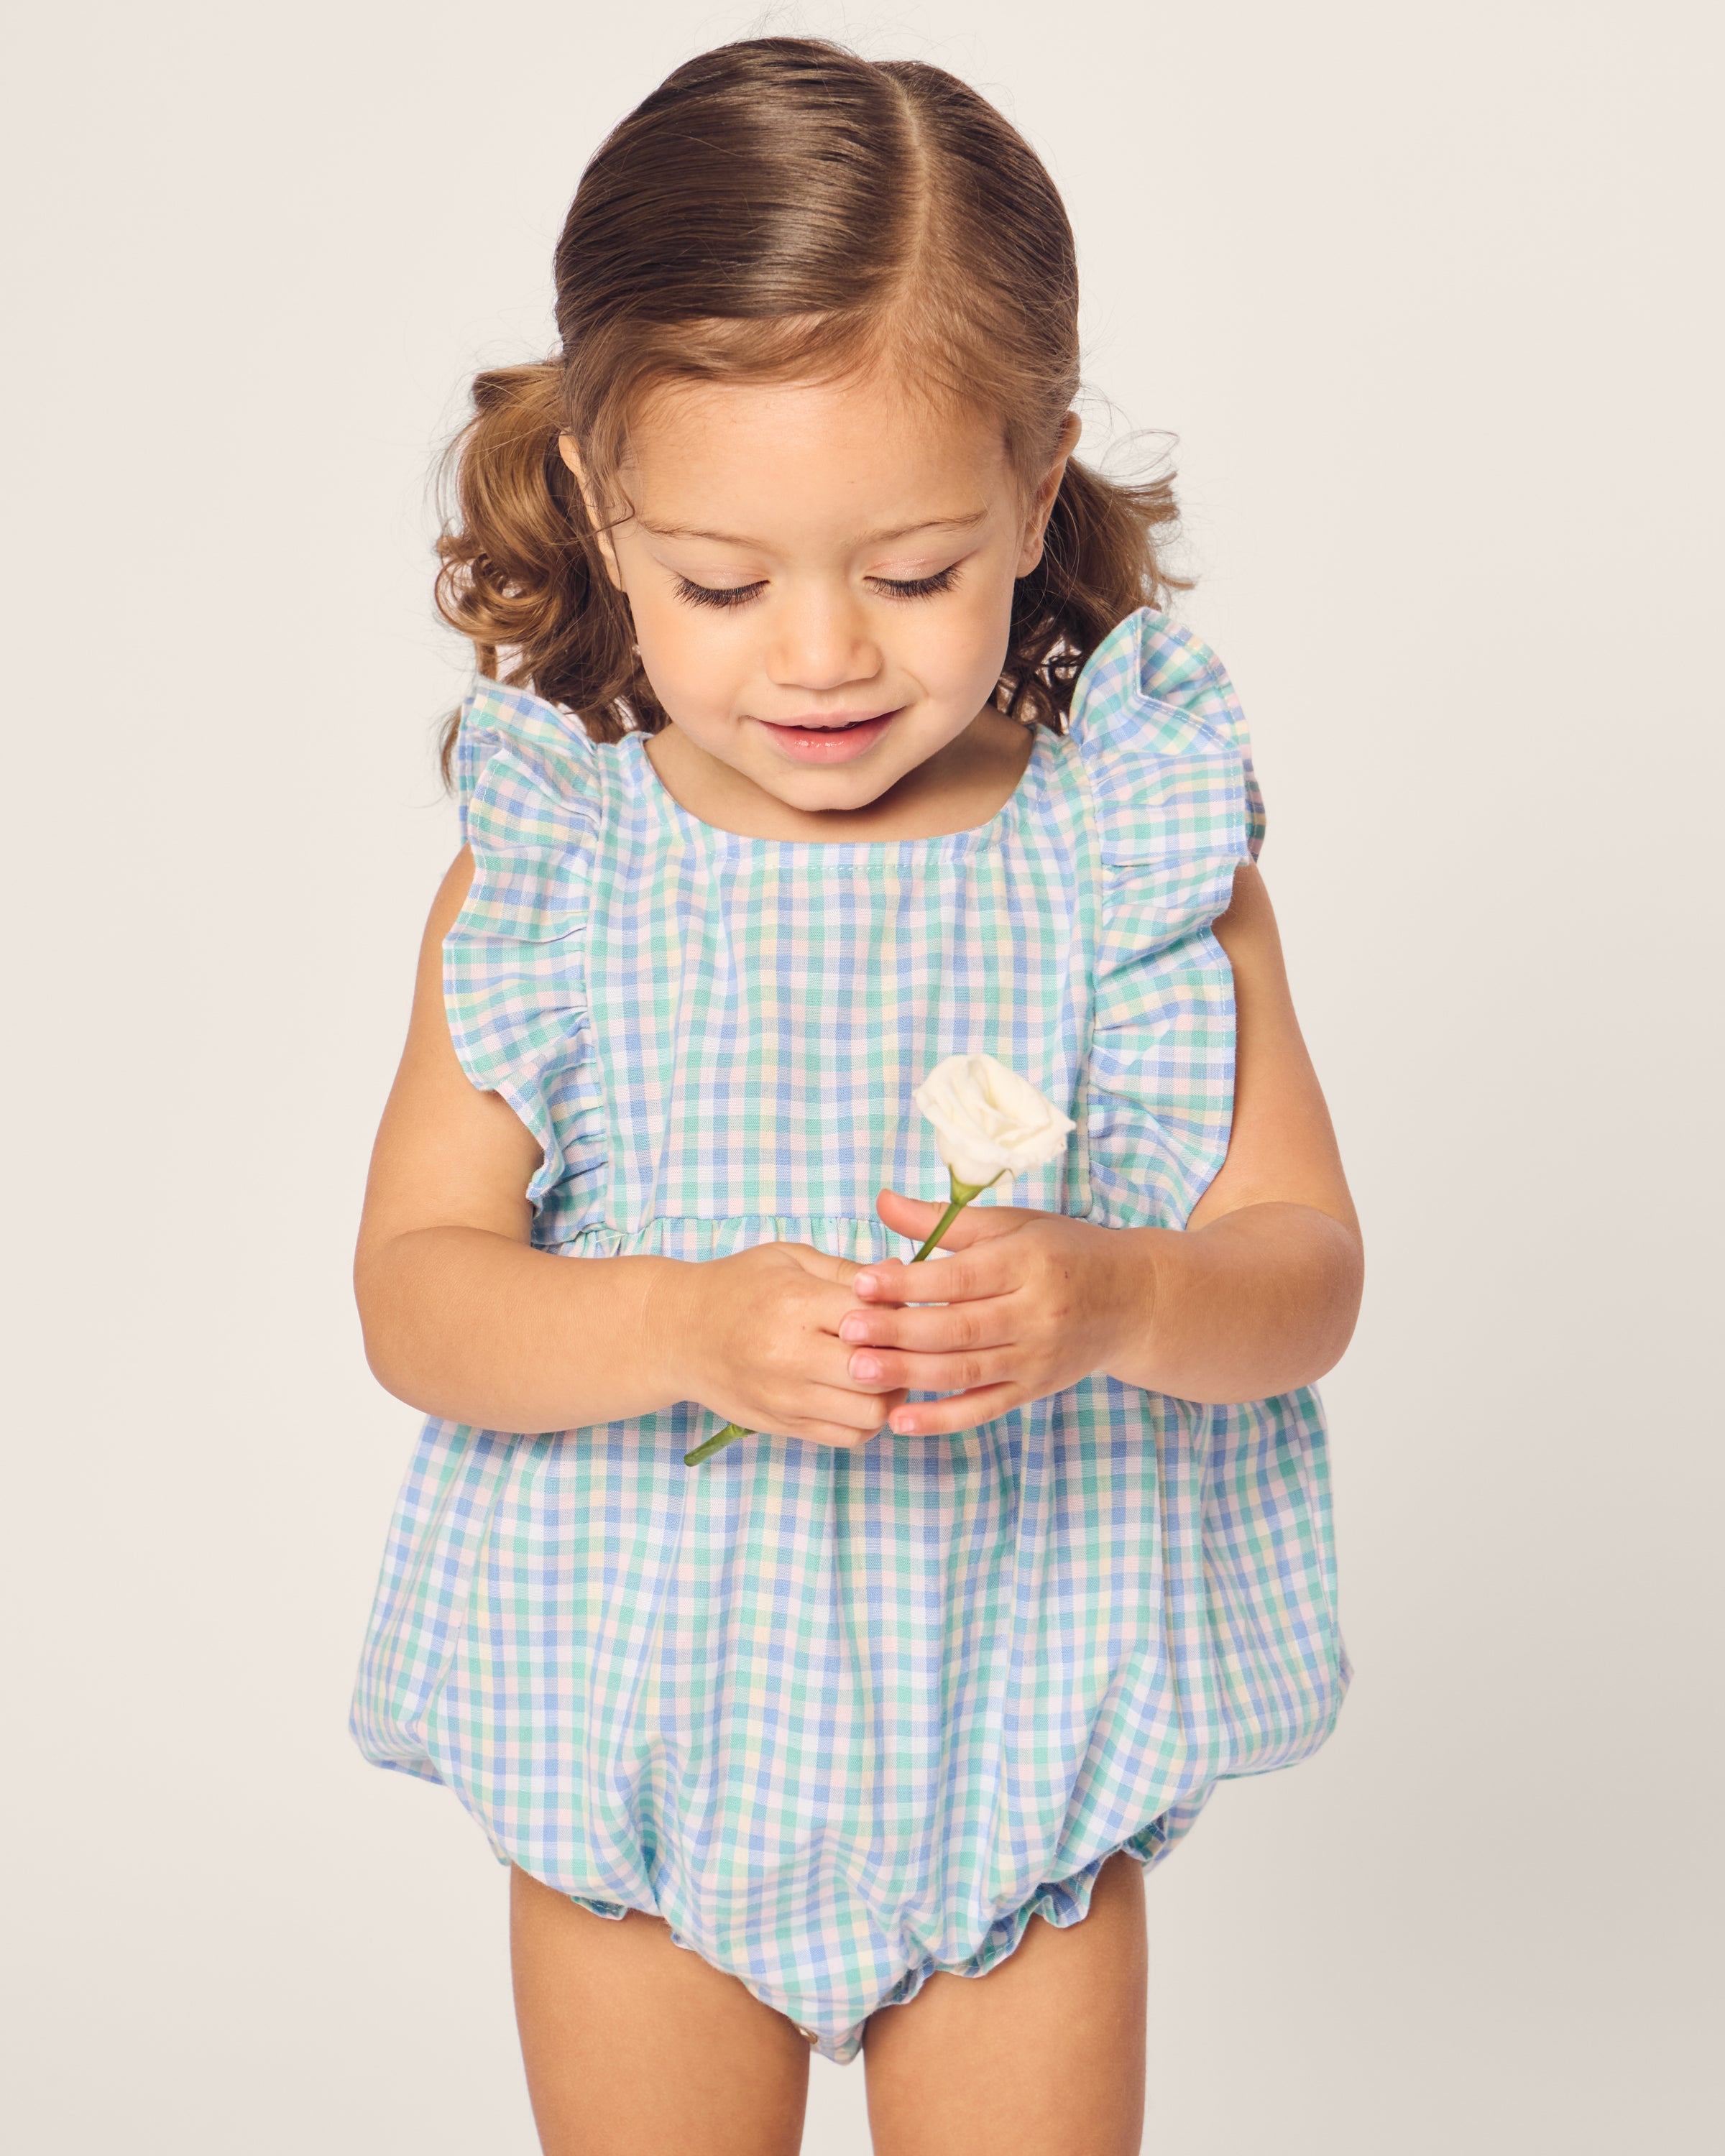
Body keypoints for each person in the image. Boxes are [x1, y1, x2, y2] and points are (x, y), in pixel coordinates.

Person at [348, 36, 1361, 2156]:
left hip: (1017, 1763)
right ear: (608, 505)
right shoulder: (565, 868)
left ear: (1034, 476)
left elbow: (1306, 1271)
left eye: (910, 573)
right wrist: (683, 1322)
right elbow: (418, 1296)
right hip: (639, 1737)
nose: (819, 656)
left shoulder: (1131, 853)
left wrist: (1115, 1300)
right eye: (724, 583)